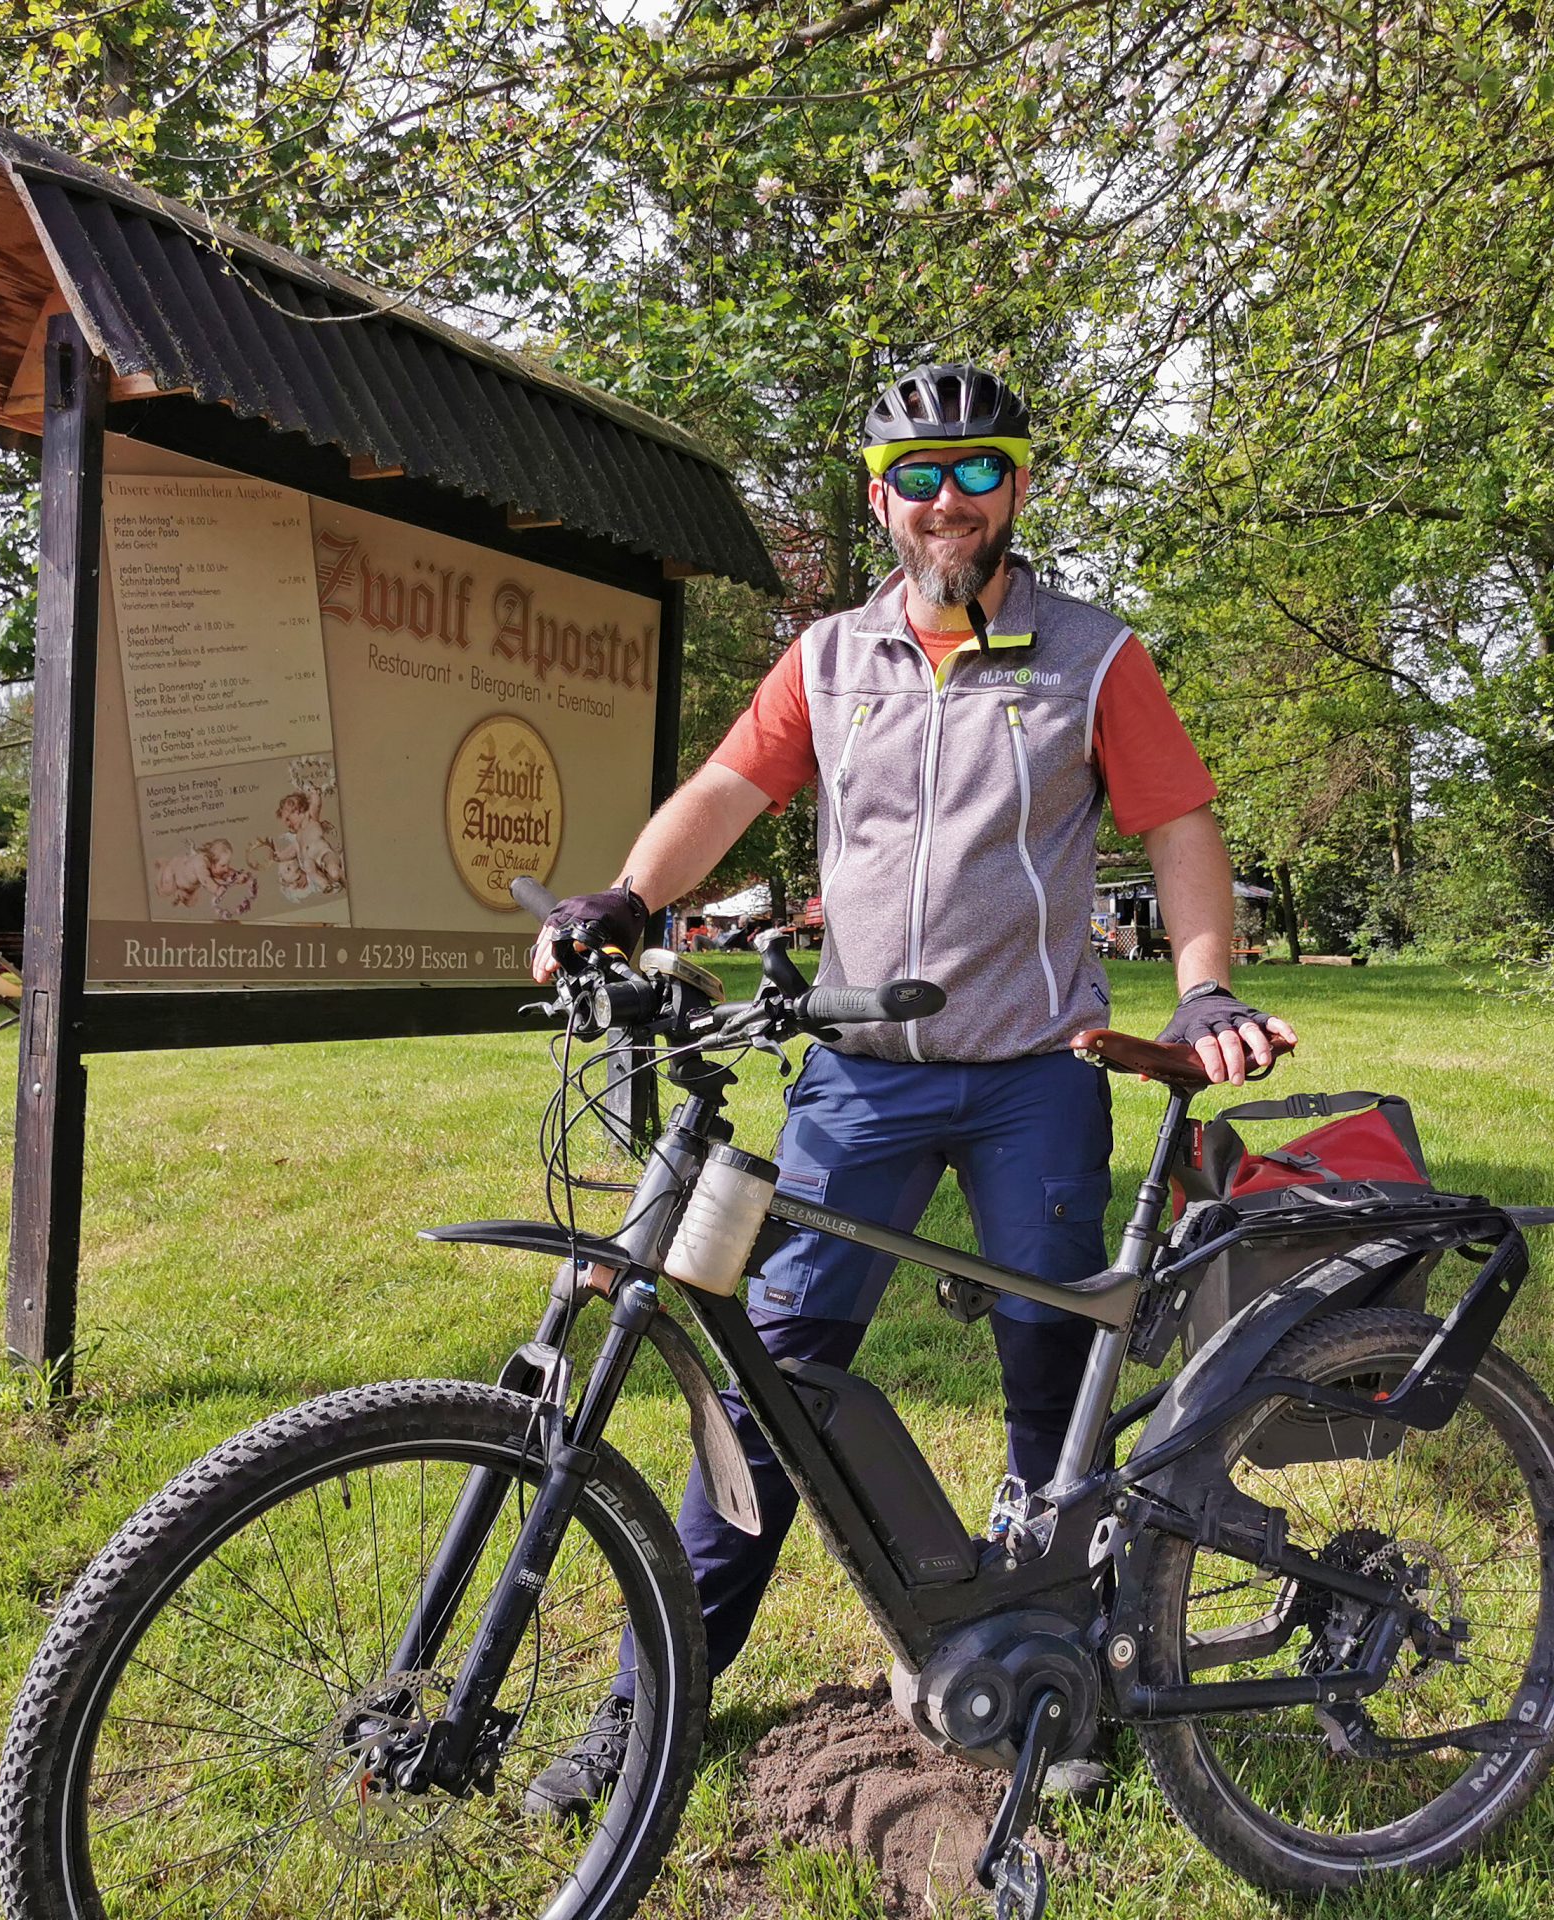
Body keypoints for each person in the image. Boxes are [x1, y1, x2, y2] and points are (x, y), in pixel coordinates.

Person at [523, 363, 1297, 1818]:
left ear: (1019, 487)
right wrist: (628, 896)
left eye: (978, 470)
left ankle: (1054, 1671)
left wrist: (1203, 987)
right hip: (859, 1076)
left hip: (1037, 1076)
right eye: (918, 477)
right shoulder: (827, 659)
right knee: (768, 1378)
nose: (950, 501)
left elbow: (1179, 825)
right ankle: (653, 1704)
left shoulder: (1094, 657)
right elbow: (726, 792)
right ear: (880, 499)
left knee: (1049, 1377)